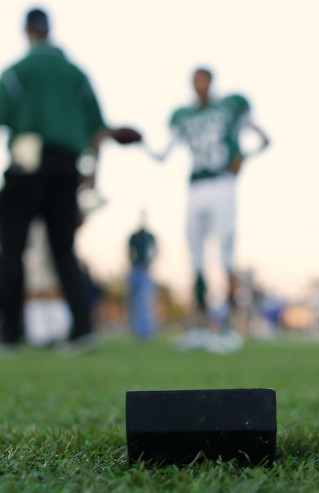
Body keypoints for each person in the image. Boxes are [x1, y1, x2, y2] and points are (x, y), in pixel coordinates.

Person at [0, 8, 142, 351]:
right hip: (68, 167)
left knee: (13, 249)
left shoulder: (17, 72)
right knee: (64, 249)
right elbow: (98, 131)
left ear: (28, 32)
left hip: (27, 162)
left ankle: (11, 334)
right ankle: (82, 329)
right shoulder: (76, 74)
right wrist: (92, 172)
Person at [151, 67, 269, 352]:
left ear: (211, 81)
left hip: (222, 184)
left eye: (202, 80)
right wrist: (139, 143)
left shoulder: (230, 107)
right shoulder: (184, 115)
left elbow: (264, 139)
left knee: (226, 257)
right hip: (195, 187)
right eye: (194, 81)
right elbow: (163, 154)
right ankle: (200, 326)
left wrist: (244, 156)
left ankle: (229, 327)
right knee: (196, 260)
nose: (198, 86)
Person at [128, 211, 158, 338]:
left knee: (145, 301)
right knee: (133, 300)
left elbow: (156, 251)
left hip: (146, 271)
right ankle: (135, 329)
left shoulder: (150, 236)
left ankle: (146, 330)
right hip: (135, 269)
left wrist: (150, 262)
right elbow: (129, 251)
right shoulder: (134, 236)